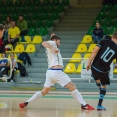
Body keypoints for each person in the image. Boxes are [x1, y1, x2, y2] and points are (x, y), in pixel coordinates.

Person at [19, 34, 95, 110]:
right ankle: (84, 105)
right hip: (56, 72)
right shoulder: (53, 43)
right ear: (55, 40)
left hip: (50, 72)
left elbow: (49, 43)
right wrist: (53, 45)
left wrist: (53, 39)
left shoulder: (52, 44)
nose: (59, 43)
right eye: (59, 41)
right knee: (72, 87)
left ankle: (26, 102)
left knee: (44, 91)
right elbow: (44, 43)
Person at [86, 32, 117, 110]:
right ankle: (99, 105)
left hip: (94, 67)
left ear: (112, 37)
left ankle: (96, 79)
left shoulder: (104, 41)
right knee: (104, 86)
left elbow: (94, 51)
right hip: (103, 71)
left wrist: (89, 63)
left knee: (96, 76)